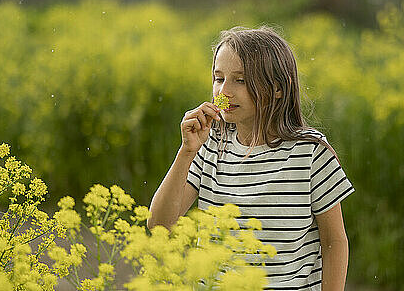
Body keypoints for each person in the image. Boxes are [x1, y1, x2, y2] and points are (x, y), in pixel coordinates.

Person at [148, 26, 355, 291]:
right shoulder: (210, 144)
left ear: (278, 89)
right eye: (218, 78)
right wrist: (186, 152)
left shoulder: (310, 152)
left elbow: (333, 240)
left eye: (241, 80)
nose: (225, 91)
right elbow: (160, 225)